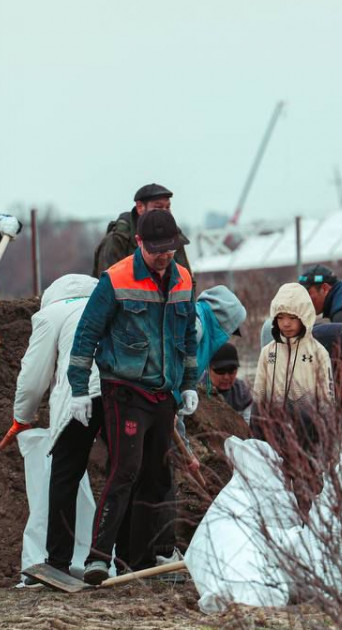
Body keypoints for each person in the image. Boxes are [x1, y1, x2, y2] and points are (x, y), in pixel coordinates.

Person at [68, 210, 199, 585]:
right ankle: (98, 558)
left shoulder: (183, 280)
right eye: (156, 250)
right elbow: (87, 334)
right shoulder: (116, 279)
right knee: (125, 469)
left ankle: (139, 561)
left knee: (158, 476)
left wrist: (189, 382)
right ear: (139, 243)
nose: (163, 257)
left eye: (169, 250)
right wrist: (79, 388)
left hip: (164, 394)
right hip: (124, 390)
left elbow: (188, 335)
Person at [1, 274, 102, 583]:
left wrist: (23, 416)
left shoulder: (51, 314)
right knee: (123, 473)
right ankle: (116, 556)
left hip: (81, 395)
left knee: (64, 474)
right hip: (124, 391)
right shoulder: (106, 304)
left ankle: (57, 562)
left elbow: (33, 376)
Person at [252, 283, 334, 452]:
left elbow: (326, 394)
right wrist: (256, 424)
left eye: (292, 317)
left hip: (308, 430)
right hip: (274, 429)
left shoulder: (318, 352)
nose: (286, 324)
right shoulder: (269, 352)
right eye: (281, 318)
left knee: (307, 474)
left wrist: (324, 426)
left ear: (304, 316)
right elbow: (259, 390)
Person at [92, 183, 192, 277]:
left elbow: (187, 279)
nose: (165, 212)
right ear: (140, 207)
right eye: (158, 207)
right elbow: (107, 281)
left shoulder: (173, 236)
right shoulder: (118, 239)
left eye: (168, 207)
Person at [202, 343, 253, 424]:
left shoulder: (242, 393)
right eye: (220, 370)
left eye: (231, 370)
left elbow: (247, 425)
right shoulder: (195, 392)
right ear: (207, 369)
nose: (226, 377)